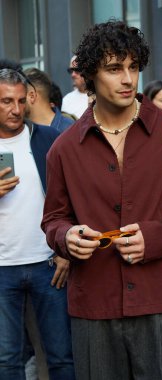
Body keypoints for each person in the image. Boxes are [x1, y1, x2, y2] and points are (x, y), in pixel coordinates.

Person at [42, 20, 162, 380]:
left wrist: (154, 239)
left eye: (133, 67)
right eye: (114, 68)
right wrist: (66, 237)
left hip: (161, 300)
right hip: (94, 305)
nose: (127, 79)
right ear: (91, 74)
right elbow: (54, 218)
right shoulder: (64, 148)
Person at [0, 68, 75, 380]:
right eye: (6, 101)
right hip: (2, 268)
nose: (16, 109)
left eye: (20, 100)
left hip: (49, 265)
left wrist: (65, 250)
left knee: (61, 357)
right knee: (7, 361)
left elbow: (73, 197)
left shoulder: (48, 139)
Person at [24, 67, 74, 133]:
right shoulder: (21, 131)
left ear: (32, 96)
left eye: (20, 95)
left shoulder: (70, 129)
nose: (15, 104)